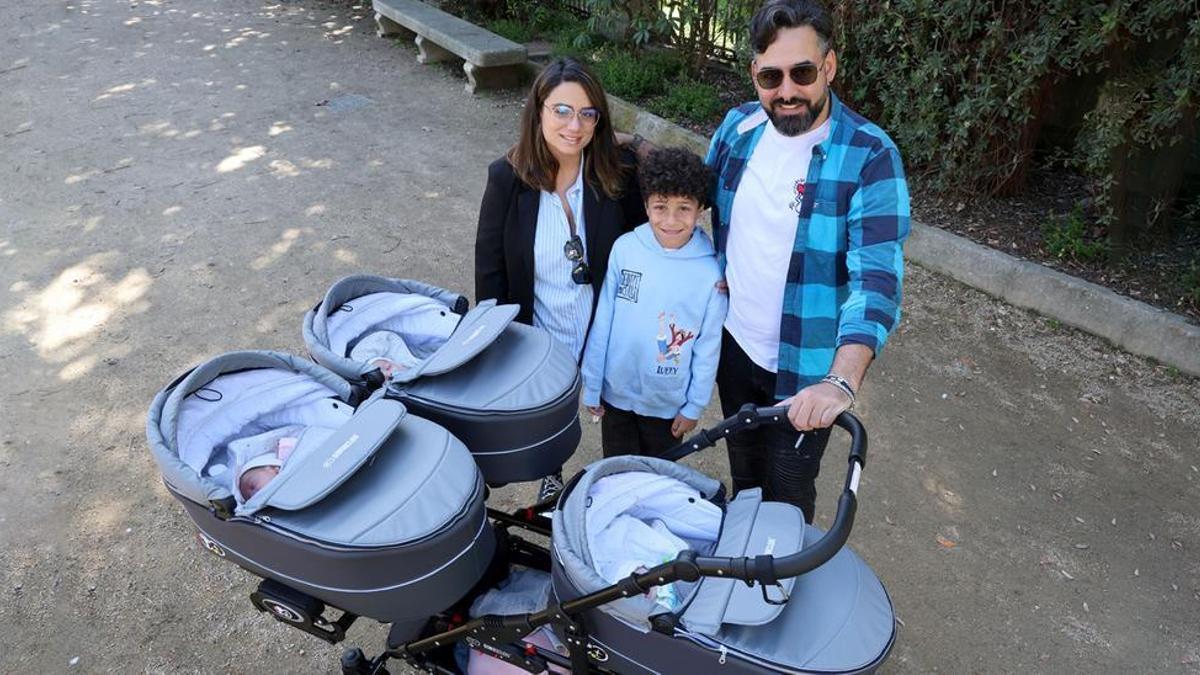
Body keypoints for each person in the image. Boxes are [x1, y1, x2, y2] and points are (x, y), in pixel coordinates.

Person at [706, 0, 910, 522]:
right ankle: (742, 583)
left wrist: (839, 381)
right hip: (735, 348)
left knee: (790, 496)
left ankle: (782, 590)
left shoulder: (869, 155)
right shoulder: (736, 129)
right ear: (755, 73)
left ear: (829, 67)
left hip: (807, 368)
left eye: (802, 72)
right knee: (746, 480)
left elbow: (876, 282)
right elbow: (684, 199)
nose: (787, 91)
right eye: (771, 76)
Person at [474, 57, 647, 499]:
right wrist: (491, 348)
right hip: (541, 333)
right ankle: (552, 474)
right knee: (548, 412)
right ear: (539, 110)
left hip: (600, 327)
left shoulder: (616, 172)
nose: (576, 126)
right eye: (562, 111)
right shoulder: (506, 179)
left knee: (613, 418)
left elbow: (651, 236)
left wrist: (636, 141)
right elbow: (490, 270)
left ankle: (618, 488)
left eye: (588, 114)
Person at [580, 147, 726, 458]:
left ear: (701, 208)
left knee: (658, 478)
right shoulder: (625, 249)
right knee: (616, 473)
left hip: (667, 405)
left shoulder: (711, 273)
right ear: (646, 204)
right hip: (615, 394)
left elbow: (708, 346)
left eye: (684, 208)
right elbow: (603, 320)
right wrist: (592, 383)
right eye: (660, 207)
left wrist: (694, 405)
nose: (671, 220)